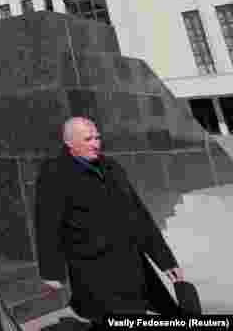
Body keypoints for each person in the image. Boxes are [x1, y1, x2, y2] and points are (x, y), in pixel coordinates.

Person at [35, 117, 184, 324]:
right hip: (94, 271)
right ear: (69, 142)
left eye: (97, 137)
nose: (96, 143)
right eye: (88, 139)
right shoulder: (55, 172)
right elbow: (47, 224)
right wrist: (51, 272)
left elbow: (139, 216)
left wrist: (165, 261)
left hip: (132, 266)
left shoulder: (112, 167)